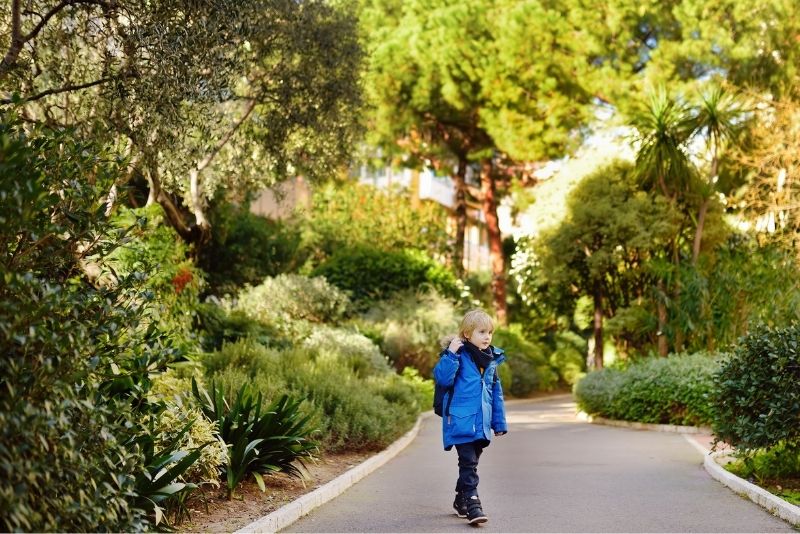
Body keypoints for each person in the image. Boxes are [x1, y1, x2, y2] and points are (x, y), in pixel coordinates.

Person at [433, 309, 508, 525]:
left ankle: (460, 499)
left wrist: (499, 422)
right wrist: (451, 354)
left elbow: (496, 394)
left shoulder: (491, 360)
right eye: (482, 332)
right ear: (467, 334)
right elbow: (443, 379)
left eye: (490, 332)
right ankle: (474, 504)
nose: (487, 337)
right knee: (467, 462)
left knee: (471, 463)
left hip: (481, 423)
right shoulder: (457, 355)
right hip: (461, 420)